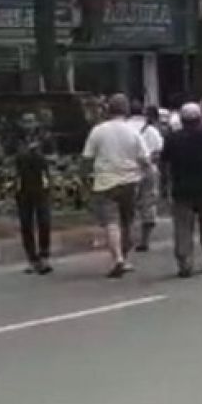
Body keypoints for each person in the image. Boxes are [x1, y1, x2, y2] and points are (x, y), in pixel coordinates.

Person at [82, 93, 151, 278]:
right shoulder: (133, 131)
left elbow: (87, 158)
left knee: (111, 223)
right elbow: (145, 158)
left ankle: (118, 259)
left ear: (108, 110)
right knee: (127, 221)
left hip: (106, 182)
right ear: (126, 110)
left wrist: (85, 177)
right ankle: (125, 258)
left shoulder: (98, 130)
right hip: (130, 181)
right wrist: (147, 174)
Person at [161, 103, 202, 278]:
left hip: (181, 188)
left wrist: (164, 186)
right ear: (199, 119)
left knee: (182, 227)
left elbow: (164, 163)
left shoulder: (172, 138)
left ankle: (185, 262)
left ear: (181, 120)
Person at [12, 113, 52, 275]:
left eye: (31, 121)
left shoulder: (44, 138)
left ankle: (44, 255)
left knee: (44, 221)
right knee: (26, 223)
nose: (28, 125)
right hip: (23, 185)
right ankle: (31, 258)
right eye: (25, 121)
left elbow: (52, 157)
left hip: (41, 184)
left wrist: (38, 154)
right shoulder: (16, 140)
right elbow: (11, 158)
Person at [126, 101, 164, 253]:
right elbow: (158, 151)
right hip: (148, 169)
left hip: (127, 170)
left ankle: (127, 237)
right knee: (148, 203)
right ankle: (144, 240)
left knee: (127, 205)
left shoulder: (123, 128)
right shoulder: (151, 130)